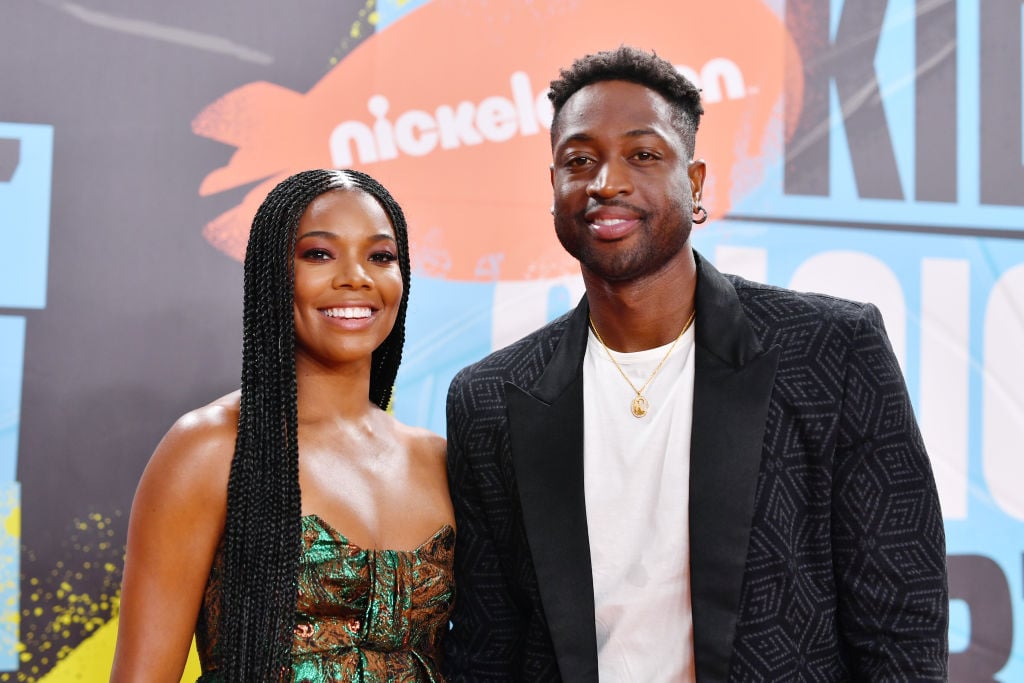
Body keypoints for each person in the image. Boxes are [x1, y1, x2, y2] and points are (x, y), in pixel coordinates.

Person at [443, 46, 947, 682]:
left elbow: (902, 622)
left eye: (643, 155)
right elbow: (490, 645)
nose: (607, 182)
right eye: (579, 160)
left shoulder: (830, 349)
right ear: (554, 190)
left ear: (697, 182)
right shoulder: (490, 397)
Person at [110, 169, 454, 682]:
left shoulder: (438, 459)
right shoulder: (210, 448)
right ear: (273, 272)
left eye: (380, 256)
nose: (356, 277)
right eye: (319, 254)